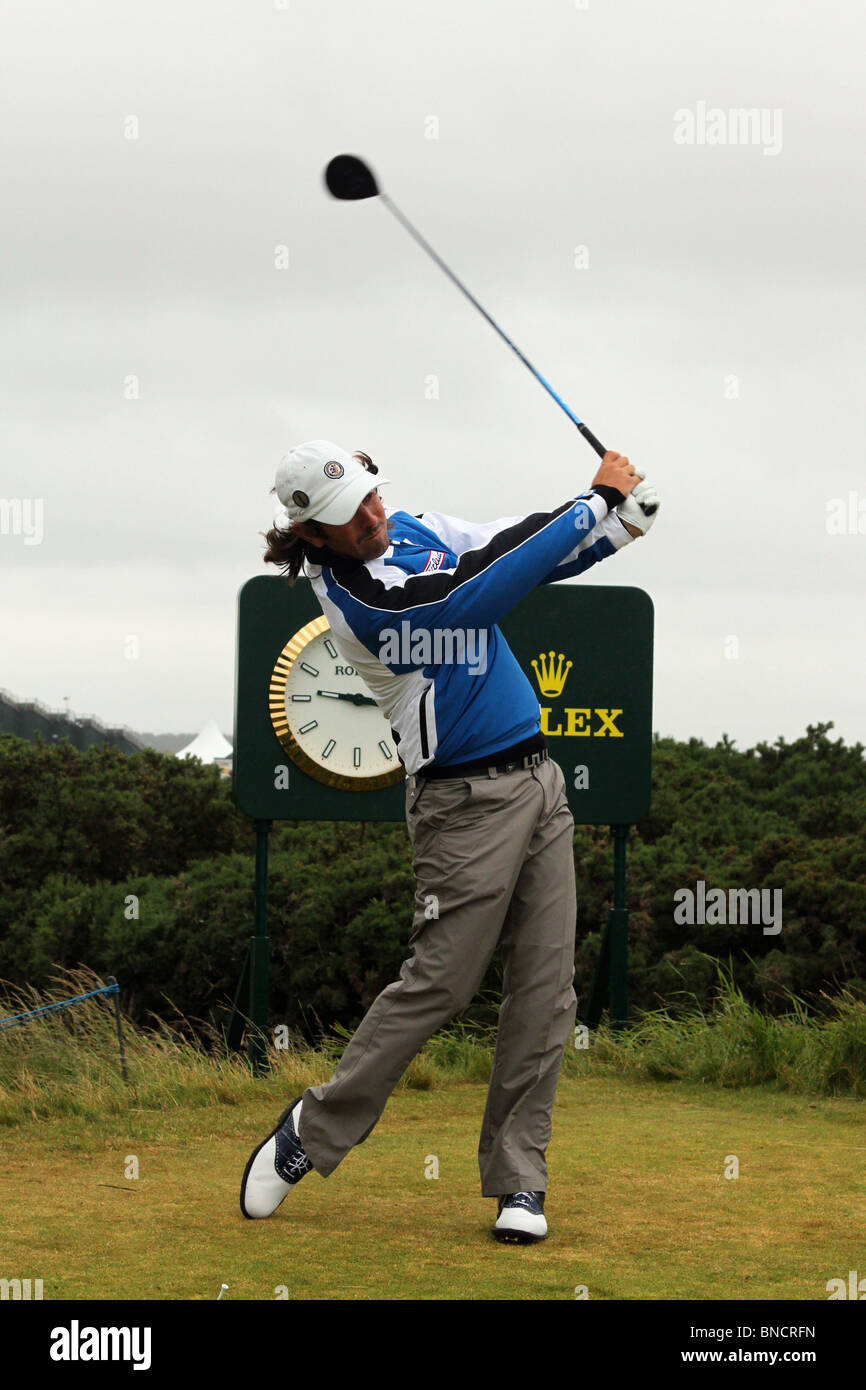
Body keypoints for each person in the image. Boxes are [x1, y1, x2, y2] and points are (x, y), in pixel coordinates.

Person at [241, 439, 659, 1243]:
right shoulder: (362, 600)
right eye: (346, 518)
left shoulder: (412, 527)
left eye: (369, 497)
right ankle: (311, 1132)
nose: (370, 518)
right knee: (441, 982)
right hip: (461, 804)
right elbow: (473, 595)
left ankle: (519, 1181)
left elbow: (521, 556)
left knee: (547, 992)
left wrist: (615, 529)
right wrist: (591, 501)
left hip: (539, 782)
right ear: (310, 536)